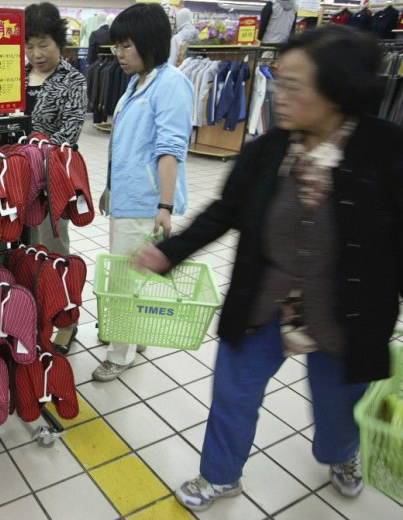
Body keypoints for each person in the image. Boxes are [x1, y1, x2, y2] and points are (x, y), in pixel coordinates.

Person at [133, 25, 403, 511]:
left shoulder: (387, 151)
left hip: (347, 310)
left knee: (338, 406)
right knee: (233, 392)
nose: (279, 93)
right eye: (280, 79)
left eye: (296, 86)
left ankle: (342, 453)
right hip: (263, 299)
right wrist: (170, 252)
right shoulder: (267, 150)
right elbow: (224, 211)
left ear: (337, 92)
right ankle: (219, 476)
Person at [92, 3, 194, 382]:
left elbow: (170, 149)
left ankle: (121, 354)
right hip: (126, 197)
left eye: (126, 46)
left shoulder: (170, 85)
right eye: (116, 46)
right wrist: (109, 188)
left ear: (150, 43)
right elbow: (128, 144)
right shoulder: (137, 82)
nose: (118, 54)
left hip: (144, 204)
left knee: (123, 280)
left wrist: (165, 205)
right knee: (130, 275)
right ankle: (132, 338)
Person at [25, 2, 87, 352]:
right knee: (22, 249)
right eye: (30, 45)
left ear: (59, 43)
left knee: (53, 248)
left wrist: (33, 154)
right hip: (12, 182)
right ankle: (31, 313)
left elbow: (70, 133)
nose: (36, 53)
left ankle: (67, 320)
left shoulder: (72, 80)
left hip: (52, 180)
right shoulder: (14, 75)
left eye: (43, 43)